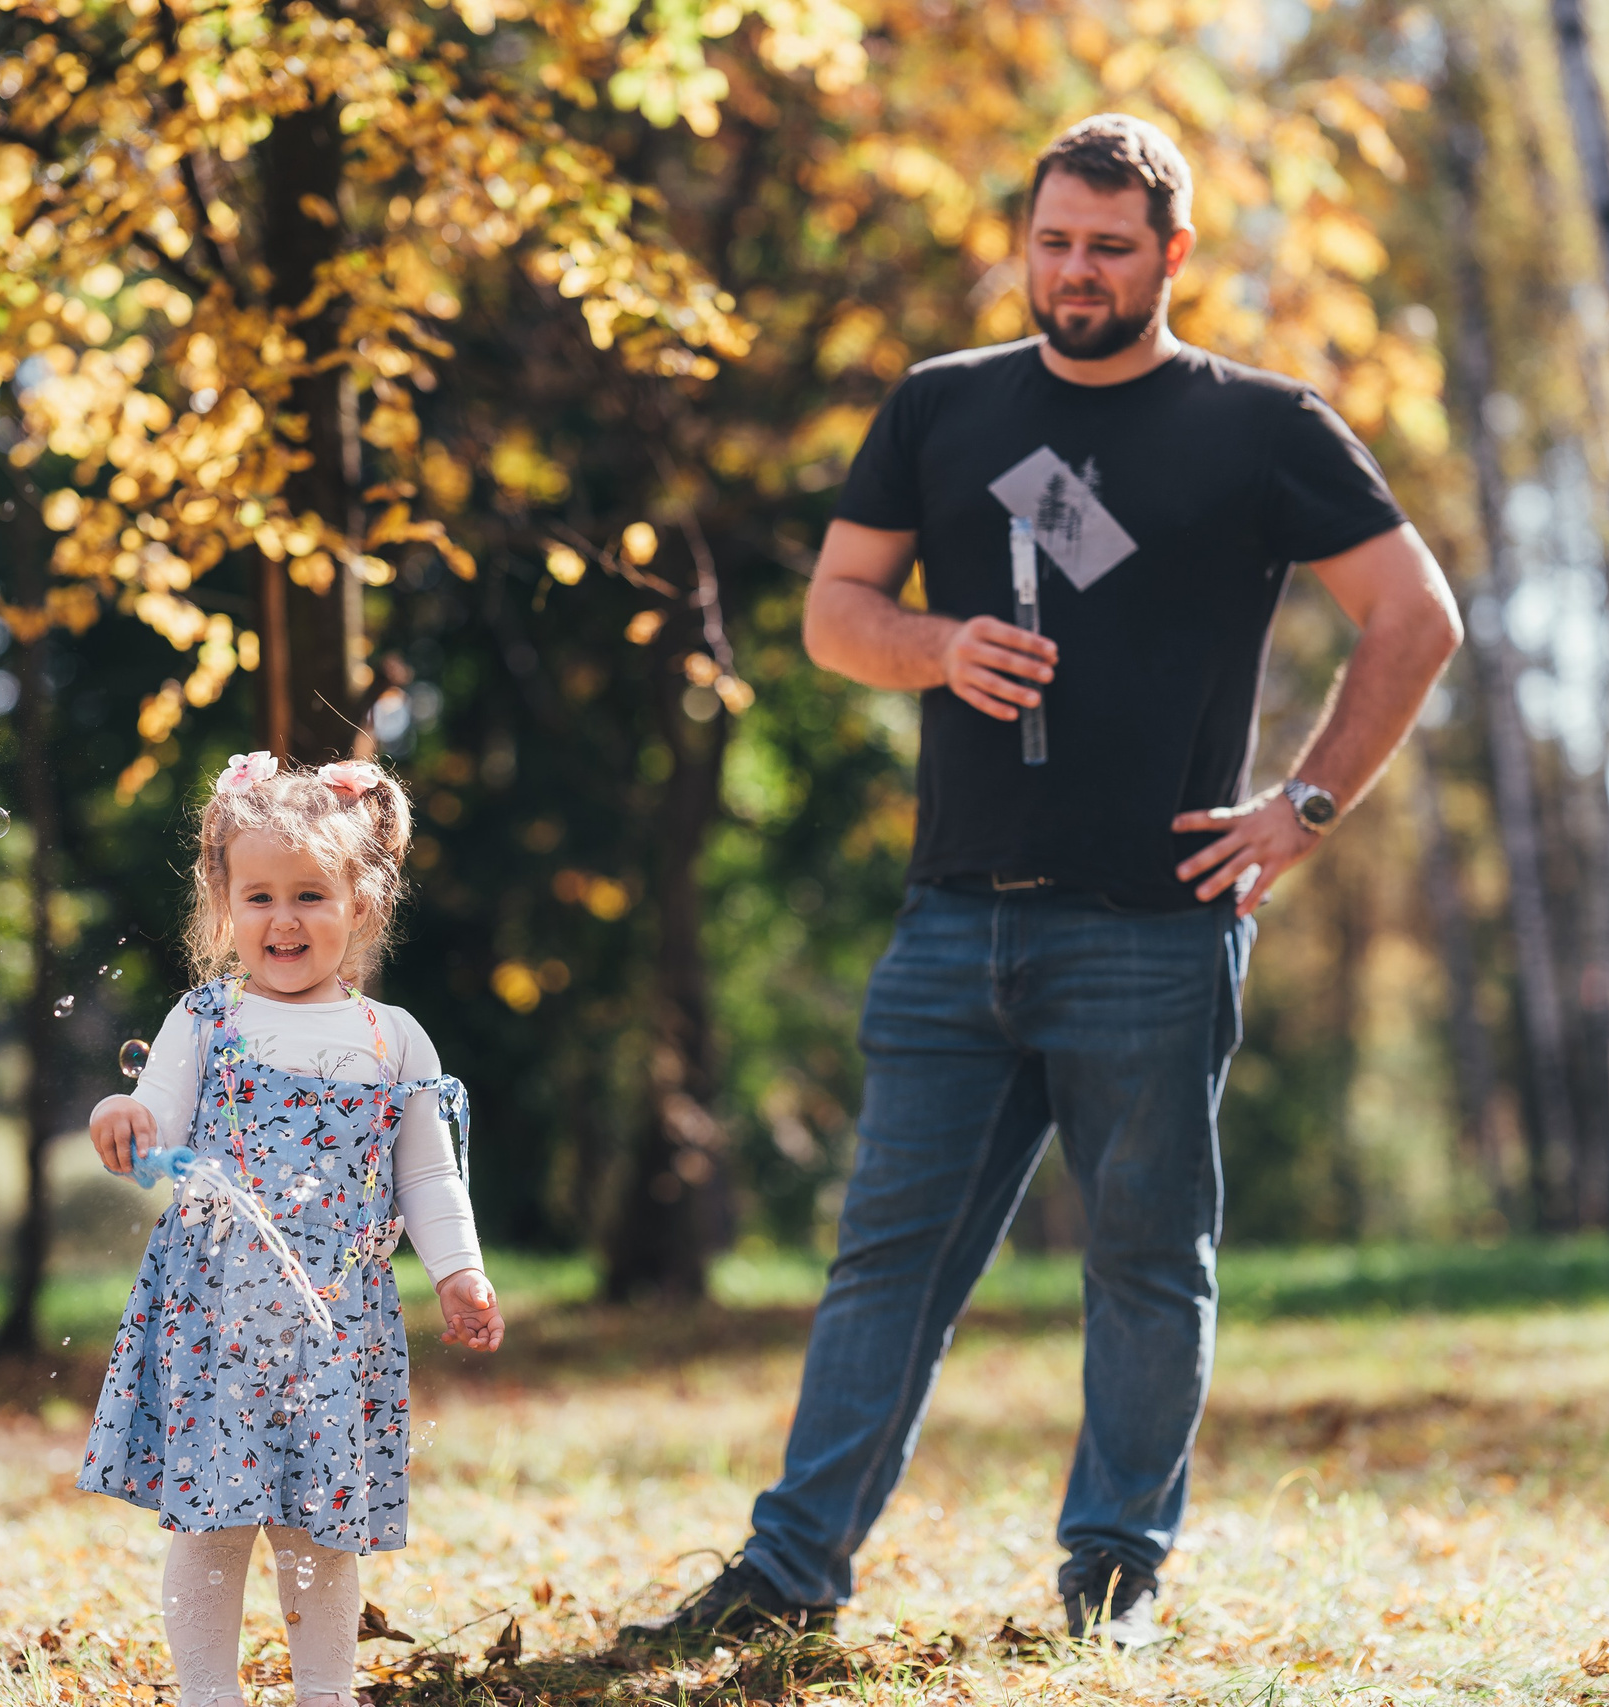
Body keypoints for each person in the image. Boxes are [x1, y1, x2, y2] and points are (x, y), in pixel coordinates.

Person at [624, 114, 1462, 1649]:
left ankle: (1114, 1583)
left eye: (1110, 247)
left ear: (1172, 256)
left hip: (1156, 926)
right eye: (1054, 241)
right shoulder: (943, 408)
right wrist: (938, 645)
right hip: (952, 918)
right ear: (1024, 240)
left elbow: (1414, 617)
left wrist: (1306, 804)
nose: (1075, 272)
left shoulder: (1266, 424)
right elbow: (831, 614)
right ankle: (790, 1573)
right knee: (886, 1260)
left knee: (1146, 1265)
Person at [78, 751, 505, 1707]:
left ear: (361, 902)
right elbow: (159, 1142)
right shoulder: (206, 1017)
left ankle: (325, 1695)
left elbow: (428, 1172)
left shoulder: (392, 1036)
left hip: (339, 1327)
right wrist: (122, 1120)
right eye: (259, 895)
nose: (284, 918)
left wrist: (458, 1272)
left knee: (321, 1534)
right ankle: (208, 1696)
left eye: (310, 893)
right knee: (211, 1527)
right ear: (224, 906)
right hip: (217, 1319)